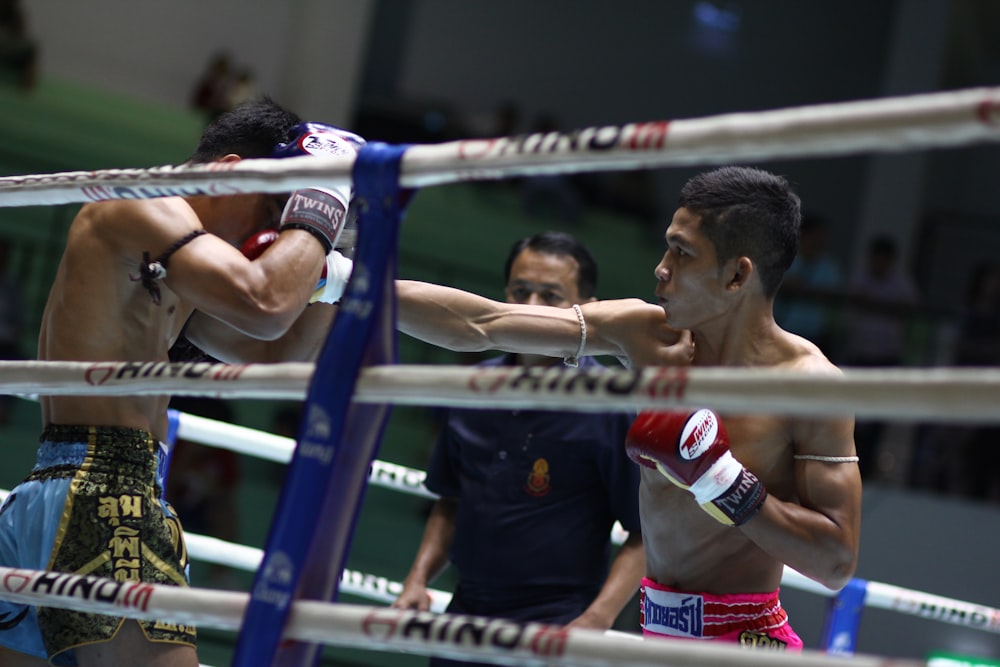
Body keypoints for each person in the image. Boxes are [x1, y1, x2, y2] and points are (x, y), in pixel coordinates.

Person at [395, 165, 861, 651]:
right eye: (667, 246)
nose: (661, 267)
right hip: (655, 631)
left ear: (737, 275)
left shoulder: (809, 387)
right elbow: (484, 322)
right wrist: (345, 279)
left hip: (743, 642)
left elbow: (835, 563)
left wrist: (720, 479)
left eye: (682, 253)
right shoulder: (646, 336)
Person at [0, 97, 363, 667]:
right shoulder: (142, 207)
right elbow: (264, 302)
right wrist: (320, 201)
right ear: (228, 171)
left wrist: (337, 242)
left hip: (56, 494)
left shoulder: (175, 266)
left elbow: (276, 354)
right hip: (105, 496)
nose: (273, 233)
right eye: (272, 209)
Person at [391, 232, 645, 663]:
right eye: (520, 291)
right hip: (464, 614)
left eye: (551, 296)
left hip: (556, 623)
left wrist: (596, 620)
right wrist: (416, 582)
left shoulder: (609, 402)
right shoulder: (472, 387)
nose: (531, 307)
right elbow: (451, 501)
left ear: (586, 308)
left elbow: (645, 533)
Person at [841, 235, 920, 478]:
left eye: (884, 260)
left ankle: (867, 468)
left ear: (891, 262)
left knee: (877, 418)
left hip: (887, 360)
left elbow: (913, 308)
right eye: (876, 259)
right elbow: (851, 300)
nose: (879, 265)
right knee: (850, 414)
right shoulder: (860, 279)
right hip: (860, 357)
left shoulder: (902, 285)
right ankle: (846, 463)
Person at [773, 213, 843, 356]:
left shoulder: (829, 266)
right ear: (804, 235)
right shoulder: (785, 259)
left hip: (814, 335)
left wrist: (803, 289)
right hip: (783, 329)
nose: (820, 241)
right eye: (816, 236)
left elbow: (833, 294)